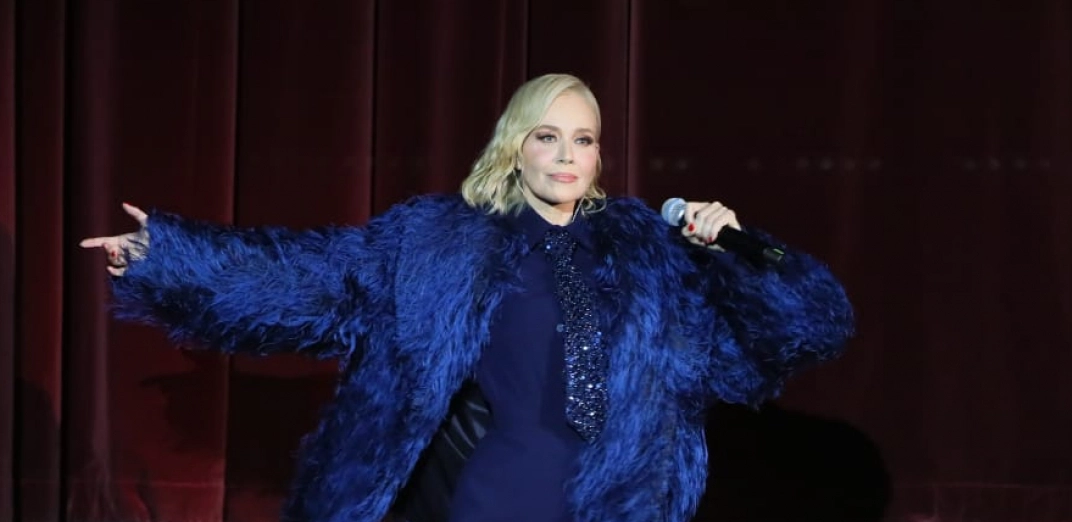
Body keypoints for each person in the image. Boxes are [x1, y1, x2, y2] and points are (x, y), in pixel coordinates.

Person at [80, 73, 855, 522]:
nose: (566, 154)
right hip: (493, 498)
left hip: (615, 503)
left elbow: (808, 328)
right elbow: (313, 275)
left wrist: (737, 252)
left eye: (583, 139)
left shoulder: (651, 255)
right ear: (516, 146)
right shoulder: (441, 243)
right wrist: (168, 257)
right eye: (547, 135)